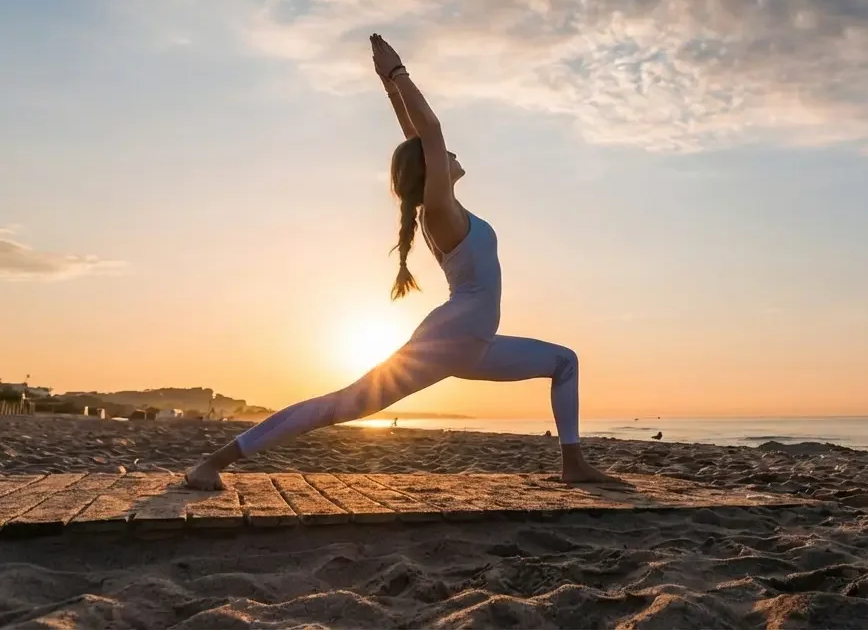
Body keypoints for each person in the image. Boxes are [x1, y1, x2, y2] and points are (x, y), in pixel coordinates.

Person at [185, 34, 616, 489]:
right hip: (452, 336)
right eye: (444, 154)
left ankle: (572, 463)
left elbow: (417, 138)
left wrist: (389, 89)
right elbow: (428, 134)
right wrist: (398, 72)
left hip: (475, 342)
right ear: (431, 172)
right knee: (341, 406)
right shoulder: (441, 213)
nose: (452, 154)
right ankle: (213, 462)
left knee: (563, 361)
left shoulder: (446, 210)